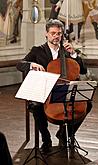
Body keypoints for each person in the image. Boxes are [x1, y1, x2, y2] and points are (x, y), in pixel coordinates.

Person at [16, 19, 92, 153]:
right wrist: (31, 65)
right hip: (45, 91)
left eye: (59, 33)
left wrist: (74, 54)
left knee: (87, 104)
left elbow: (83, 70)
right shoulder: (37, 51)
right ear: (46, 34)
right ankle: (46, 139)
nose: (56, 36)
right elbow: (20, 64)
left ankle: (65, 134)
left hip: (64, 91)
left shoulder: (67, 51)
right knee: (36, 106)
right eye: (53, 33)